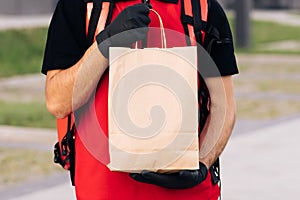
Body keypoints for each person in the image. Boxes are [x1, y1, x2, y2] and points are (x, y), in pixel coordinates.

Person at [42, 0, 238, 199]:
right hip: (105, 191)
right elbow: (58, 102)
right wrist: (105, 44)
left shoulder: (201, 8)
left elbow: (224, 105)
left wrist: (202, 164)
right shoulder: (81, 6)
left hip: (188, 191)